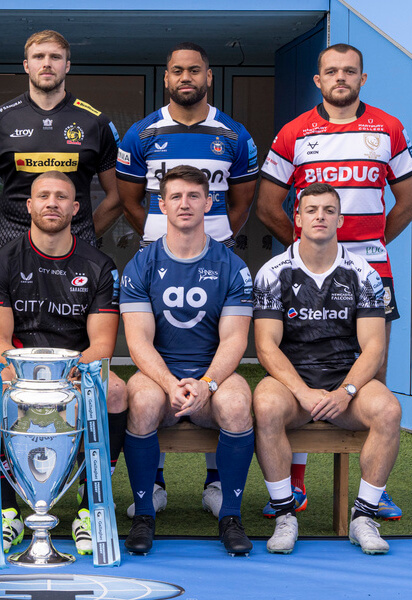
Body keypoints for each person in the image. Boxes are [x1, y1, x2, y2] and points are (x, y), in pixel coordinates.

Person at [256, 43, 412, 520]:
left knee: (373, 376)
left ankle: (375, 490)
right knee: (301, 359)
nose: (341, 78)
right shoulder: (294, 133)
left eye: (350, 71)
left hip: (371, 269)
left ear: (363, 79)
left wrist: (365, 247)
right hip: (306, 269)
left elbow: (408, 202)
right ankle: (296, 483)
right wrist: (307, 250)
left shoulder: (388, 128)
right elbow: (269, 205)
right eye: (332, 71)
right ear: (319, 80)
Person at [116, 42, 260, 519]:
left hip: (214, 254)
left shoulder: (234, 134)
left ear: (208, 76)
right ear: (166, 77)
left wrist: (218, 235)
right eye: (177, 69)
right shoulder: (142, 132)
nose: (185, 77)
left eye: (194, 70)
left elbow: (241, 202)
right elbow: (131, 199)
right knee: (150, 372)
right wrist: (157, 233)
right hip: (158, 255)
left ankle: (218, 486)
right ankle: (151, 486)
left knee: (219, 366)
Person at [0, 171, 127, 556]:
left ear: (76, 208)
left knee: (116, 391)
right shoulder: (1, 261)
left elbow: (103, 345)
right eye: (43, 196)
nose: (52, 203)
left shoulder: (98, 264)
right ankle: (8, 509)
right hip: (19, 371)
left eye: (62, 197)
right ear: (28, 206)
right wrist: (22, 379)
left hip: (76, 372)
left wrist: (66, 378)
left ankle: (89, 508)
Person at [252, 183, 402, 555]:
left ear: (340, 219)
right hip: (292, 385)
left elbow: (373, 347)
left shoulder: (364, 273)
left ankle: (363, 517)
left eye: (328, 210)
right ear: (297, 218)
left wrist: (346, 392)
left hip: (344, 383)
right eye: (312, 209)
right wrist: (302, 392)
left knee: (389, 409)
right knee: (265, 405)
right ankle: (286, 514)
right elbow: (266, 345)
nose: (320, 216)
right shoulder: (273, 272)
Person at [119, 165, 254, 556]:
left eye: (194, 196)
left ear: (208, 202)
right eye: (175, 196)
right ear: (161, 204)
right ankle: (145, 512)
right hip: (160, 375)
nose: (185, 204)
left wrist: (207, 384)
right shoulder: (141, 265)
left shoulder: (232, 265)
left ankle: (230, 515)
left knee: (237, 402)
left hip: (213, 376)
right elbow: (138, 340)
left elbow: (234, 339)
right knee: (141, 401)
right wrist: (169, 384)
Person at [0, 30, 121, 251]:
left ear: (67, 65)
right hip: (12, 249)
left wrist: (84, 235)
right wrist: (7, 234)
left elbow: (117, 197)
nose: (47, 64)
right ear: (26, 65)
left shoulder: (96, 123)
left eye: (55, 57)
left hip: (76, 249)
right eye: (39, 56)